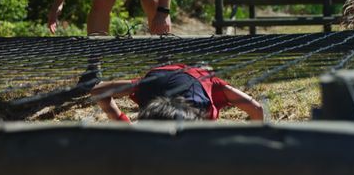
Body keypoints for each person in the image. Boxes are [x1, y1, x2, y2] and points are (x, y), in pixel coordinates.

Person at [90, 63, 264, 122]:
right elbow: (257, 109)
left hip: (152, 126)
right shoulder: (210, 79)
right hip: (192, 124)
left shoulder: (155, 76)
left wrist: (123, 123)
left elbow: (98, 91)